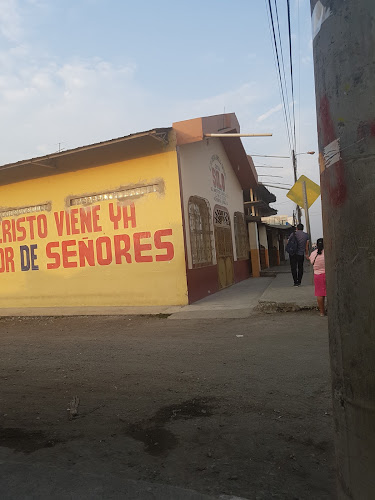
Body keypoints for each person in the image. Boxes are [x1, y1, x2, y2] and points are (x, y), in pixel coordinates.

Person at [309, 238, 326, 316]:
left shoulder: (313, 254)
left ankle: (322, 312)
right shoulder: (328, 252)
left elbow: (311, 262)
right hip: (328, 275)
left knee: (320, 294)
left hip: (318, 276)